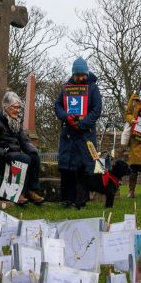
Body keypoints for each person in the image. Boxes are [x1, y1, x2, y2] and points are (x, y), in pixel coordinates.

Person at [54, 57, 103, 209]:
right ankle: (67, 199)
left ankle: (80, 199)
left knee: (83, 168)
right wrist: (66, 117)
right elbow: (58, 106)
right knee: (66, 167)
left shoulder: (93, 88)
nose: (81, 78)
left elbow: (96, 110)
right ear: (74, 74)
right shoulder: (66, 88)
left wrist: (82, 124)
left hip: (85, 135)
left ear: (86, 74)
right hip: (68, 134)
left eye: (83, 75)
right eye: (78, 75)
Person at [0, 91, 45, 205]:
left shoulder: (15, 124)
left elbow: (24, 141)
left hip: (12, 157)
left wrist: (32, 150)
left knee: (33, 157)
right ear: (6, 107)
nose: (17, 110)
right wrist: (3, 153)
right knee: (23, 158)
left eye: (19, 108)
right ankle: (13, 194)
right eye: (14, 107)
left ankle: (30, 190)